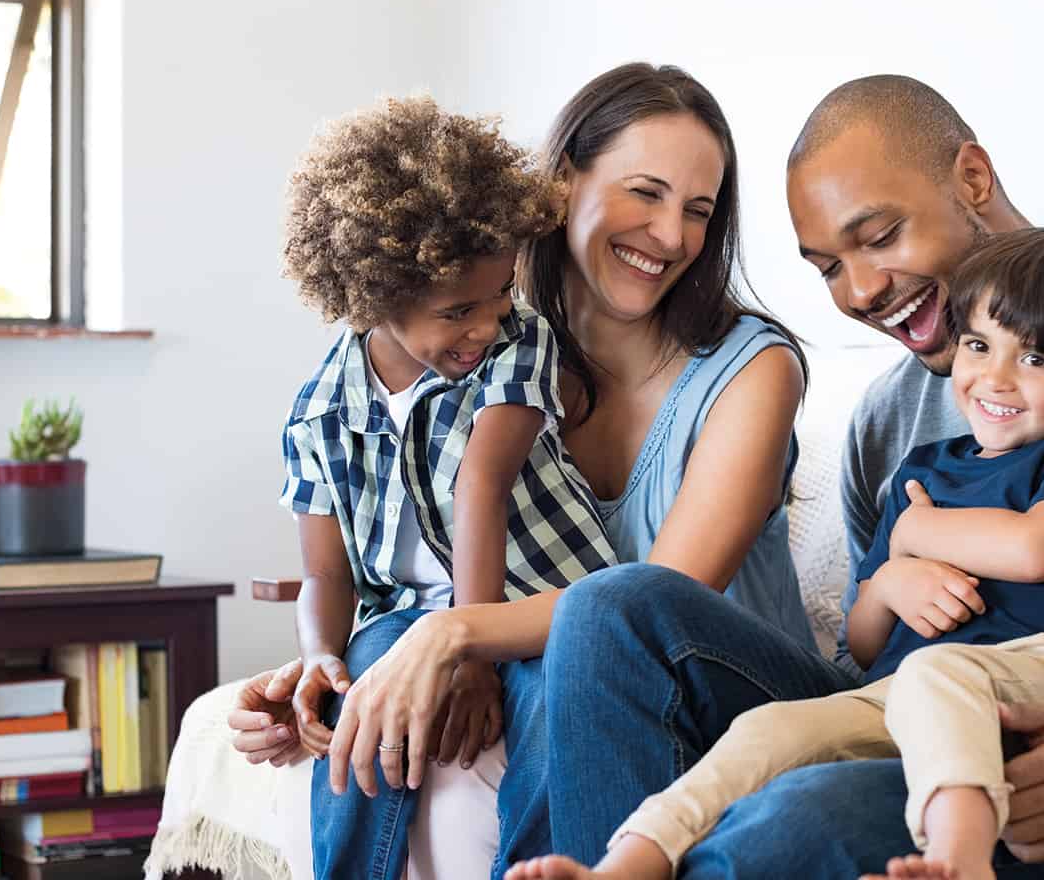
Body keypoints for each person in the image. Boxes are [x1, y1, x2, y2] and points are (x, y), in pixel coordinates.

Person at [520, 75, 1044, 879]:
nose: (862, 291)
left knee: (797, 816)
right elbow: (865, 652)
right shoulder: (887, 421)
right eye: (827, 268)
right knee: (611, 609)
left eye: (880, 237)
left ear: (974, 178)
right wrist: (892, 583)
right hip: (905, 724)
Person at [226, 63, 820, 879]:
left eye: (697, 211)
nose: (674, 236)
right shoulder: (477, 355)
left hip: (724, 692)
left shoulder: (751, 371)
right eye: (645, 192)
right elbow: (402, 550)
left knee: (595, 635)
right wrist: (334, 669)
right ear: (563, 181)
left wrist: (452, 635)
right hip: (560, 666)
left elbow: (646, 609)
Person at [506, 226, 1044, 880]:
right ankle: (624, 865)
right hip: (896, 694)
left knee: (937, 676)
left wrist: (914, 536)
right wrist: (890, 583)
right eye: (980, 346)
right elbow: (865, 642)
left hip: (1025, 685)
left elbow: (1038, 549)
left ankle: (960, 860)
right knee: (768, 733)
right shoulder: (921, 471)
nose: (997, 378)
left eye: (1036, 361)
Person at [269, 95, 622, 878]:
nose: (488, 325)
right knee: (360, 691)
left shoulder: (516, 344)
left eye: (500, 296)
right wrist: (320, 657)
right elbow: (325, 572)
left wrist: (472, 657)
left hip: (542, 606)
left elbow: (481, 487)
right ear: (374, 297)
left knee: (553, 706)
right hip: (406, 618)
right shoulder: (321, 412)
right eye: (459, 310)